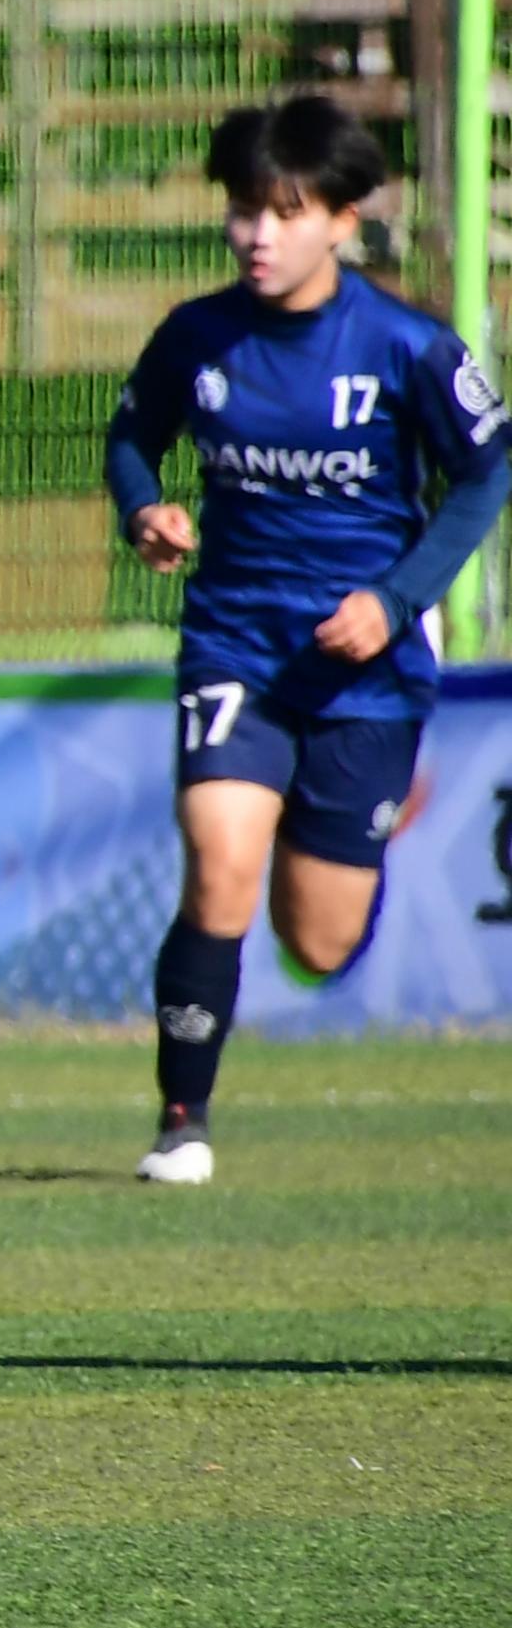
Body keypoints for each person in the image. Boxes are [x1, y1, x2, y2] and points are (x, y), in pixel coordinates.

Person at [105, 96, 508, 1185]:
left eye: (285, 212)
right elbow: (132, 433)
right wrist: (145, 506)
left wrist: (397, 593)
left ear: (342, 218)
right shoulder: (199, 335)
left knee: (319, 938)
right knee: (218, 863)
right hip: (235, 644)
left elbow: (485, 473)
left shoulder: (406, 344)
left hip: (361, 673)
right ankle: (182, 1119)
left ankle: (303, 828)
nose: (258, 235)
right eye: (244, 210)